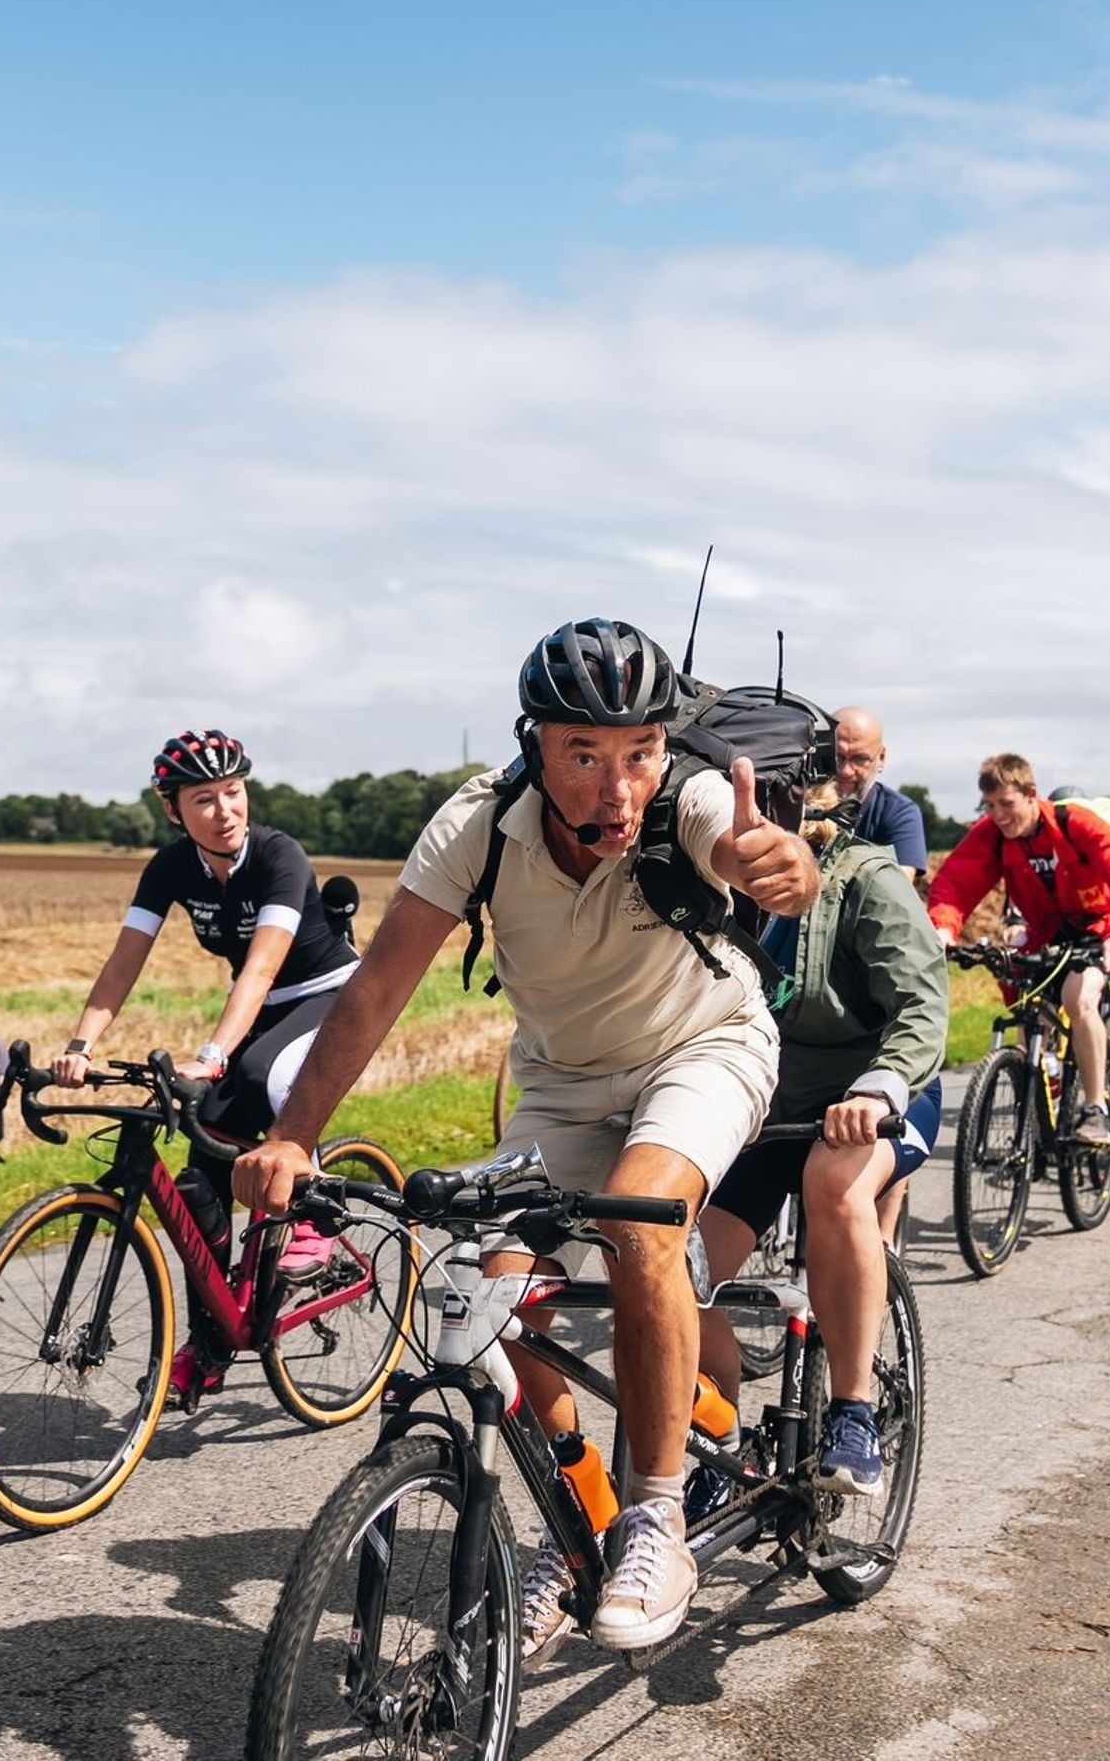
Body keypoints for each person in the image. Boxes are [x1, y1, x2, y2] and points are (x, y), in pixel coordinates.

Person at [233, 616, 819, 1656]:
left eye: (638, 751)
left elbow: (733, 844)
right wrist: (292, 1135)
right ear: (534, 745)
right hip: (562, 1083)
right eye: (583, 755)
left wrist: (778, 864)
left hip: (704, 1050)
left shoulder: (684, 799)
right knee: (482, 1283)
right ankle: (583, 1509)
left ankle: (657, 1517)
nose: (616, 786)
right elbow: (376, 992)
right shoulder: (478, 826)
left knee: (641, 1233)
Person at [52, 728, 360, 1405]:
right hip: (261, 1004)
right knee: (199, 1172)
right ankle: (210, 1342)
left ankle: (314, 1212)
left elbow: (261, 967)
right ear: (173, 809)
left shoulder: (281, 856)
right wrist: (80, 1045)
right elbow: (124, 958)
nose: (224, 810)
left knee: (258, 1079)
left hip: (327, 995)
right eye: (203, 799)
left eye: (232, 792)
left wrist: (214, 1055)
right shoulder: (170, 868)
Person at [693, 777, 946, 1507]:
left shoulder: (866, 881)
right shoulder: (705, 886)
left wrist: (880, 1087)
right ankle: (718, 1445)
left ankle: (854, 1411)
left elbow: (922, 1007)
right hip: (766, 1107)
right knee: (673, 1254)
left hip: (875, 1100)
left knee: (834, 1184)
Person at [926, 753, 1110, 1146]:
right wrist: (943, 929)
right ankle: (1041, 1090)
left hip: (1099, 929)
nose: (998, 815)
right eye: (990, 806)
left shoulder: (1072, 822)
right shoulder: (993, 835)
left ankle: (1095, 1107)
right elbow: (955, 882)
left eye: (1007, 804)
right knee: (1029, 1004)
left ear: (1031, 795)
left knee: (1079, 998)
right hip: (1046, 933)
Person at [833, 707, 929, 878]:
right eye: (837, 756)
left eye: (859, 759)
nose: (846, 771)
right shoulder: (797, 804)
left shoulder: (899, 813)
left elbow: (897, 888)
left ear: (881, 758)